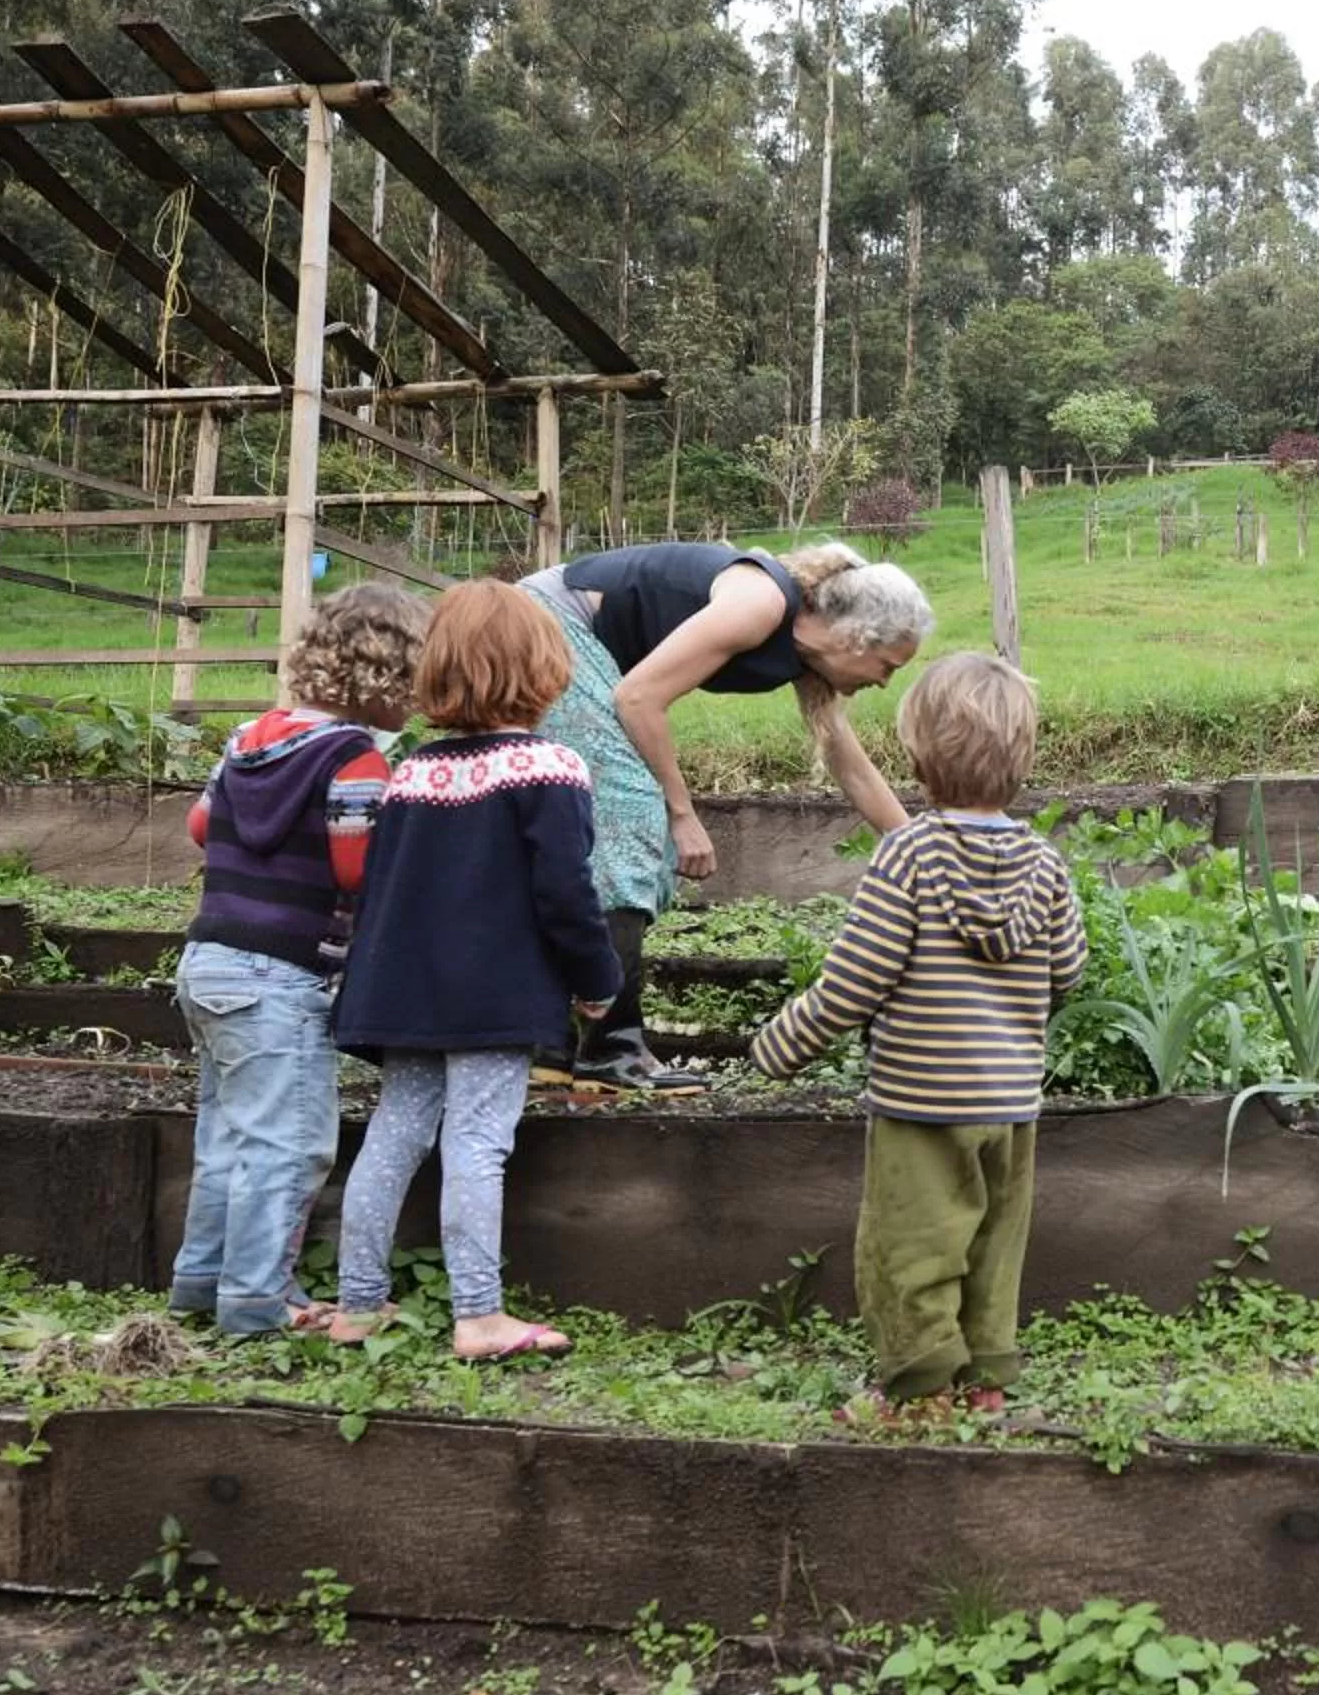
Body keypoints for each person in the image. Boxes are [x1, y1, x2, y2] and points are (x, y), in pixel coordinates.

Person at [748, 653, 1083, 1415]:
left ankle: (920, 1387)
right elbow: (1068, 969)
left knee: (911, 1247)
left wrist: (781, 1045)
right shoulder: (1044, 863)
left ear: (920, 755)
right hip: (1009, 1102)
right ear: (1023, 756)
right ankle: (985, 1381)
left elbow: (855, 981)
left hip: (921, 1100)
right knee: (993, 1242)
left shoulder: (909, 855)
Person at [328, 579, 622, 1360]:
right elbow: (566, 892)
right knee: (478, 1142)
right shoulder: (547, 768)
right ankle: (480, 1316)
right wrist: (597, 982)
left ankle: (357, 1305)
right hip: (494, 993)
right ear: (545, 669)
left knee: (394, 1134)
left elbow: (380, 887)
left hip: (404, 990)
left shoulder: (412, 773)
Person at [521, 540, 933, 1093]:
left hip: (569, 638)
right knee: (632, 814)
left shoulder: (808, 657)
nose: (884, 682)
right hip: (546, 624)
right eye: (887, 666)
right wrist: (682, 813)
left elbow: (851, 768)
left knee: (622, 843)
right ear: (856, 636)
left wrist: (923, 850)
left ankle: (553, 1046)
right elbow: (638, 699)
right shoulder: (761, 604)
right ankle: (608, 1050)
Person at [167, 581, 429, 1336]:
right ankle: (258, 1300)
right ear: (383, 676)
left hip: (209, 961)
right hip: (279, 976)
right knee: (289, 1146)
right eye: (413, 681)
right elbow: (357, 868)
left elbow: (200, 825)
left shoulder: (249, 737)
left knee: (227, 1139)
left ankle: (202, 1282)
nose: (417, 702)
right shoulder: (355, 761)